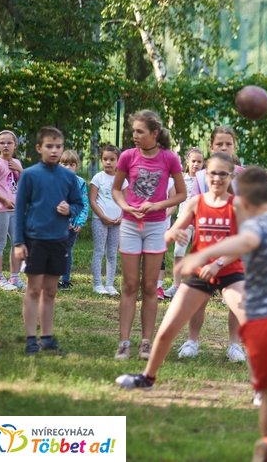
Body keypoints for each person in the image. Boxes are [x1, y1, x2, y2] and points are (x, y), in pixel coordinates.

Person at [171, 166, 267, 461]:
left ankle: (265, 442)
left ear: (244, 203)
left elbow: (245, 241)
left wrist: (201, 255)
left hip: (262, 326)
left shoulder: (251, 228)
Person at [115, 153, 248, 390]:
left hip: (229, 271)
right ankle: (147, 378)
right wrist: (173, 234)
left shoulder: (237, 204)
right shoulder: (197, 203)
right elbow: (169, 233)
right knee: (167, 329)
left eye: (222, 173)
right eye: (212, 173)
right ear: (205, 175)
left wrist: (218, 263)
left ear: (231, 176)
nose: (217, 178)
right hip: (199, 272)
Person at [112, 110, 186, 360]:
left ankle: (146, 342)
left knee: (150, 287)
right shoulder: (127, 156)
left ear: (154, 134)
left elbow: (181, 194)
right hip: (130, 225)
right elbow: (116, 190)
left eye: (140, 131)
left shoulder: (170, 159)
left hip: (156, 227)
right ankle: (123, 342)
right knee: (130, 285)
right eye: (134, 131)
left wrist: (157, 206)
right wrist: (125, 207)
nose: (135, 135)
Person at [176, 127, 246, 362]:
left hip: (235, 250)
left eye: (228, 144)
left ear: (234, 146)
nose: (224, 148)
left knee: (236, 300)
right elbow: (193, 209)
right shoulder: (201, 177)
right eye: (219, 144)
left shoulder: (243, 175)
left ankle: (235, 345)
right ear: (211, 147)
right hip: (205, 248)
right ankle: (192, 340)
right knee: (199, 297)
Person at [13, 126, 83, 354]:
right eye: (49, 146)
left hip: (60, 240)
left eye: (58, 147)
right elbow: (19, 209)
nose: (54, 151)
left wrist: (69, 209)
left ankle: (47, 337)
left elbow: (79, 204)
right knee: (34, 289)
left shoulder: (69, 177)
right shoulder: (30, 175)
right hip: (35, 240)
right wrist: (18, 242)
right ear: (39, 148)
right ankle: (31, 338)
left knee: (51, 290)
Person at [163, 147, 204, 298]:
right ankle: (176, 285)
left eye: (199, 161)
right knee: (178, 252)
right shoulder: (180, 179)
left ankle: (197, 286)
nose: (196, 164)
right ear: (187, 162)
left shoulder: (204, 180)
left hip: (200, 222)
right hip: (184, 221)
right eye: (193, 161)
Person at [0, 129, 24, 290]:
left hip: (15, 210)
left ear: (15, 145)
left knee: (17, 243)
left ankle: (14, 278)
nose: (6, 145)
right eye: (2, 143)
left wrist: (20, 169)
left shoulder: (17, 163)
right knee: (0, 242)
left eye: (9, 142)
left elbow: (24, 184)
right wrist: (4, 200)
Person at [90, 144, 125, 296]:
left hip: (117, 222)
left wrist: (122, 217)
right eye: (105, 159)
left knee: (112, 253)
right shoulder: (98, 177)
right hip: (100, 220)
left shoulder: (122, 179)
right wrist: (103, 217)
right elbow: (92, 200)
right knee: (99, 251)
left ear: (118, 161)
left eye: (112, 159)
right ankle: (97, 284)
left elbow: (126, 201)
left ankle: (110, 284)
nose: (108, 162)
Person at [57, 150, 89, 291]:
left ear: (77, 166)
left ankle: (65, 280)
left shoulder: (80, 183)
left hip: (72, 226)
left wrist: (79, 221)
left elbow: (84, 204)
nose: (68, 167)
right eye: (64, 164)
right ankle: (52, 278)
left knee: (66, 251)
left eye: (71, 164)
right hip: (56, 224)